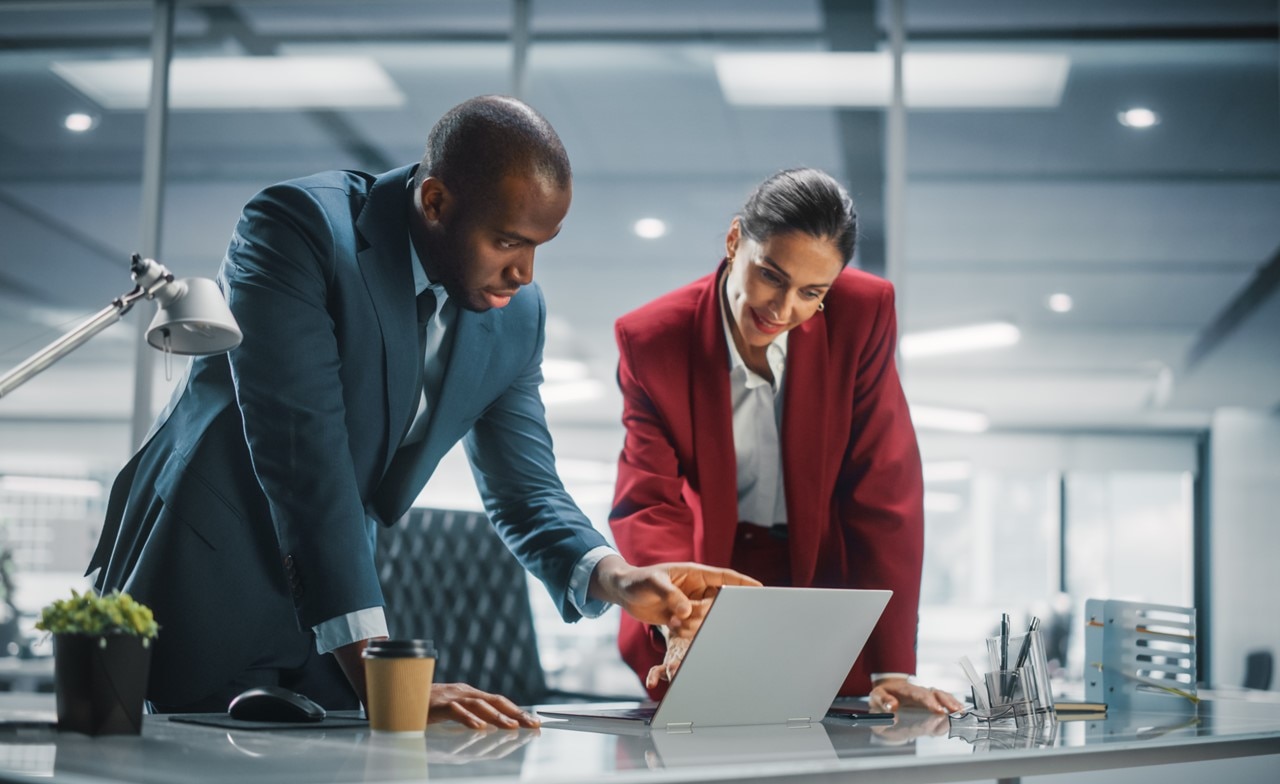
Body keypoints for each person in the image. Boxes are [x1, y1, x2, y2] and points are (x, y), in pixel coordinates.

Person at [88, 95, 756, 728]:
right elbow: (305, 459)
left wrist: (619, 578)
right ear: (434, 201)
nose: (524, 272)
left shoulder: (516, 317)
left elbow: (528, 491)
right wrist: (383, 673)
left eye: (538, 247)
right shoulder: (299, 228)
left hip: (333, 601)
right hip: (205, 576)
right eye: (507, 241)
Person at [609, 168, 963, 715]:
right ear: (734, 242)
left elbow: (883, 490)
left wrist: (893, 667)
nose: (782, 309)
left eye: (811, 293)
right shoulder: (653, 340)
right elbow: (651, 502)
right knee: (706, 737)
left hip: (824, 580)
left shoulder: (863, 314)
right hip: (710, 576)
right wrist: (676, 614)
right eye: (771, 276)